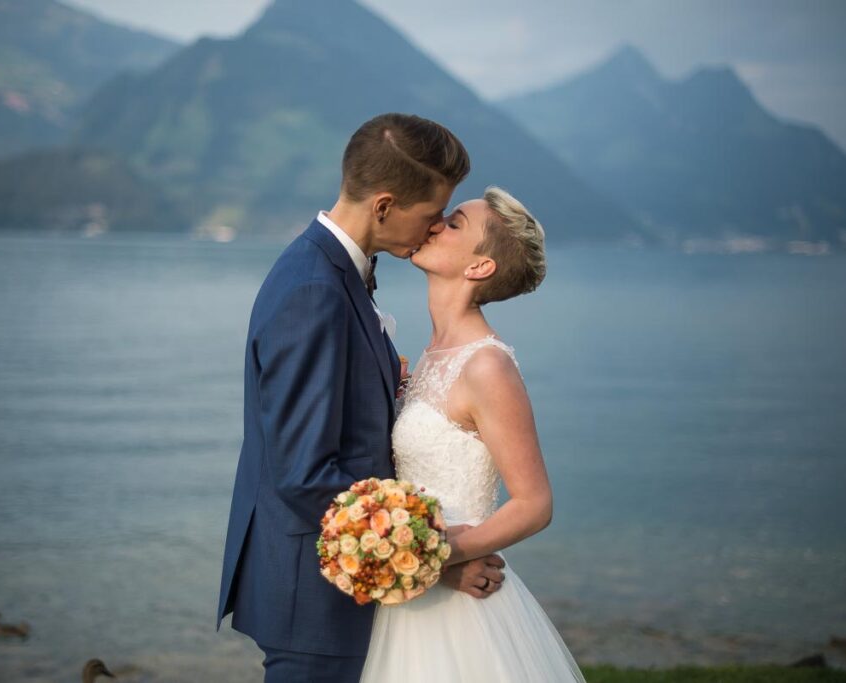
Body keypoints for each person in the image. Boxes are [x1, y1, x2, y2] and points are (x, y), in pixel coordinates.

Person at [217, 113, 508, 683]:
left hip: (331, 581)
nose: (430, 231)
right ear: (383, 206)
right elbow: (304, 475)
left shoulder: (336, 274)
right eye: (429, 216)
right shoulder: (314, 290)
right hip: (314, 594)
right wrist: (432, 557)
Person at [359, 187, 587, 681]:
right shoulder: (430, 354)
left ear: (479, 267)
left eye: (455, 223)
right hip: (407, 587)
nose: (436, 222)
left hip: (455, 607)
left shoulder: (487, 366)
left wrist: (438, 556)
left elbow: (534, 503)